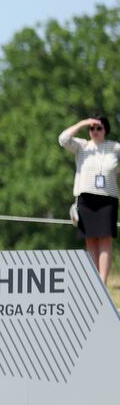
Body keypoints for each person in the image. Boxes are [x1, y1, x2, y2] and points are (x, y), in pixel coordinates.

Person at [59, 114, 119, 282]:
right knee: (91, 240)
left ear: (105, 129)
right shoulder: (82, 146)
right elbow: (63, 139)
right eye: (92, 128)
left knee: (105, 240)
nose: (95, 131)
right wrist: (83, 122)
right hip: (86, 199)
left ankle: (103, 282)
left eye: (98, 128)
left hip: (107, 199)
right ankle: (93, 281)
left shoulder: (114, 147)